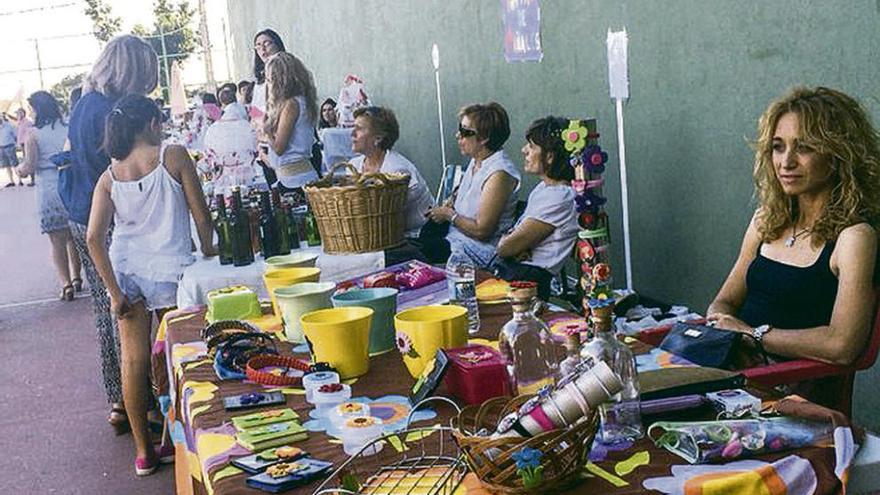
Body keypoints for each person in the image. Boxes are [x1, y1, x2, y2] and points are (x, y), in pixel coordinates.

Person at [707, 87, 880, 407]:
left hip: (794, 400)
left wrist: (751, 334)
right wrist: (724, 325)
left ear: (838, 153)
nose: (786, 162)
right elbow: (722, 303)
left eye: (805, 148)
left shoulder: (854, 237)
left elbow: (843, 345)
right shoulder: (765, 221)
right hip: (732, 382)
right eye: (777, 147)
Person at [86, 94, 215, 475]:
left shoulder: (109, 176)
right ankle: (175, 438)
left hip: (126, 269)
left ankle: (144, 451)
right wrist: (209, 249)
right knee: (174, 355)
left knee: (134, 360)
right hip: (170, 269)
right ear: (151, 124)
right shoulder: (172, 156)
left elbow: (94, 237)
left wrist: (114, 293)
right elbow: (202, 217)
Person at [60, 34, 159, 435]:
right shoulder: (113, 111)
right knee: (127, 309)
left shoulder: (86, 103)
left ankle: (120, 400)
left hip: (80, 212)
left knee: (106, 308)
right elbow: (124, 166)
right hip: (104, 216)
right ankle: (139, 403)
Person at [427, 102, 520, 267]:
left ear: (484, 138)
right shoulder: (477, 160)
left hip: (478, 251)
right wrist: (452, 202)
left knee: (406, 255)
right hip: (455, 239)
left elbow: (482, 231)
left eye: (465, 132)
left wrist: (449, 215)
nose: (458, 135)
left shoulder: (499, 173)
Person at [495, 117, 578, 300]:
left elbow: (505, 248)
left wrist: (511, 244)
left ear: (550, 156)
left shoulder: (560, 197)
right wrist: (517, 244)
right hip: (517, 273)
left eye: (531, 146)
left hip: (528, 283)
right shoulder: (544, 188)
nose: (524, 150)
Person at [14, 91, 82, 300]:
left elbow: (29, 165)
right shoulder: (68, 128)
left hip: (48, 188)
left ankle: (66, 283)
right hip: (70, 183)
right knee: (73, 237)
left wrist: (19, 170)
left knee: (56, 240)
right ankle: (78, 277)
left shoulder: (34, 135)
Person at [350, 106, 434, 239]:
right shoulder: (353, 166)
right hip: (379, 237)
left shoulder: (396, 170)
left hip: (416, 237)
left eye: (359, 128)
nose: (352, 133)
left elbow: (382, 218)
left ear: (378, 138)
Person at [260, 51, 319, 198]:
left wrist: (266, 132)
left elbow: (280, 148)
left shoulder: (291, 104)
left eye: (269, 80)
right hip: (295, 175)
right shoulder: (302, 101)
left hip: (295, 180)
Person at [251, 28, 286, 114]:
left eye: (267, 43)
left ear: (277, 45)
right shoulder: (259, 79)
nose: (262, 49)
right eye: (258, 46)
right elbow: (256, 111)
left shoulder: (288, 72)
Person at [0, 115, 20, 186]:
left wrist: (17, 144)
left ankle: (20, 180)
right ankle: (12, 181)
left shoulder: (9, 126)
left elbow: (16, 135)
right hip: (1, 148)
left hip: (10, 146)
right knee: (6, 165)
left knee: (15, 164)